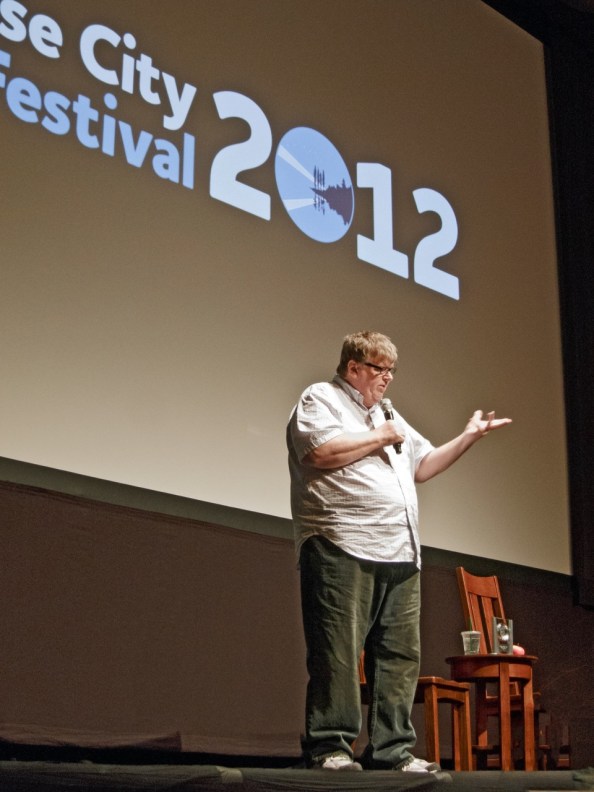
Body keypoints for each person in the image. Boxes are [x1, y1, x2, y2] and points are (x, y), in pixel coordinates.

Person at [286, 330, 512, 773]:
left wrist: (467, 437)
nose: (387, 378)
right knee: (337, 653)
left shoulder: (387, 415)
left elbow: (422, 465)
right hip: (341, 543)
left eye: (391, 370)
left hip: (400, 551)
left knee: (399, 657)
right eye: (379, 369)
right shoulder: (321, 399)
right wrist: (379, 436)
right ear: (353, 367)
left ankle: (391, 751)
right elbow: (319, 452)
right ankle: (330, 748)